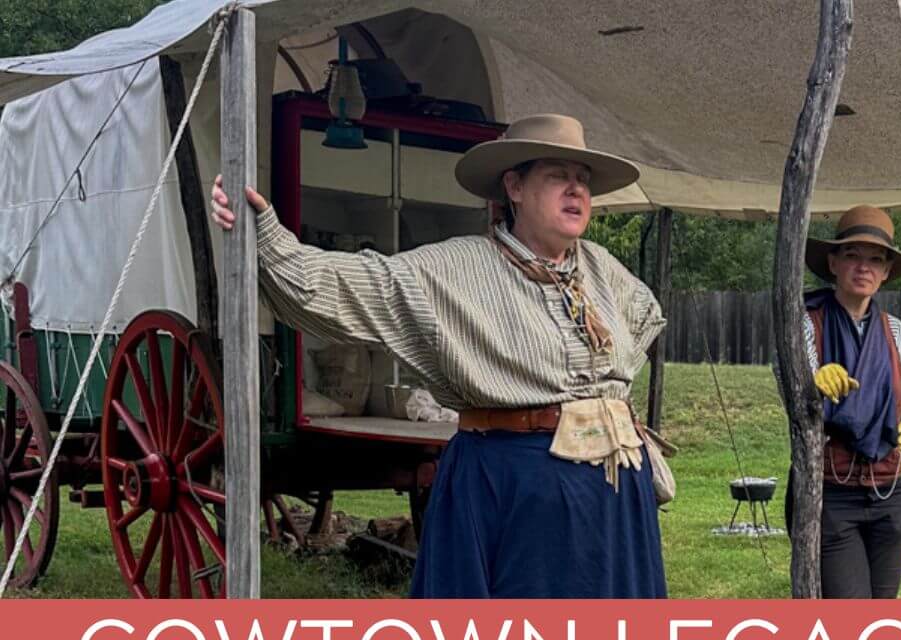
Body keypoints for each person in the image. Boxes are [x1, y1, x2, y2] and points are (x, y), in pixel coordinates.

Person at [210, 115, 667, 599]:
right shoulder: (458, 268)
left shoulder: (602, 269)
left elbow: (645, 317)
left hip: (615, 488)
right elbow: (362, 284)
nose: (576, 190)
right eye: (558, 176)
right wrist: (268, 238)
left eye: (583, 180)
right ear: (514, 186)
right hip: (515, 484)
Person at [784, 206, 901, 599]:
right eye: (852, 255)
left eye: (876, 259)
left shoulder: (895, 331)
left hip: (893, 493)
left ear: (885, 272)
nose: (864, 267)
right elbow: (792, 387)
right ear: (833, 263)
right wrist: (811, 384)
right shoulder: (806, 324)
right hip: (831, 494)